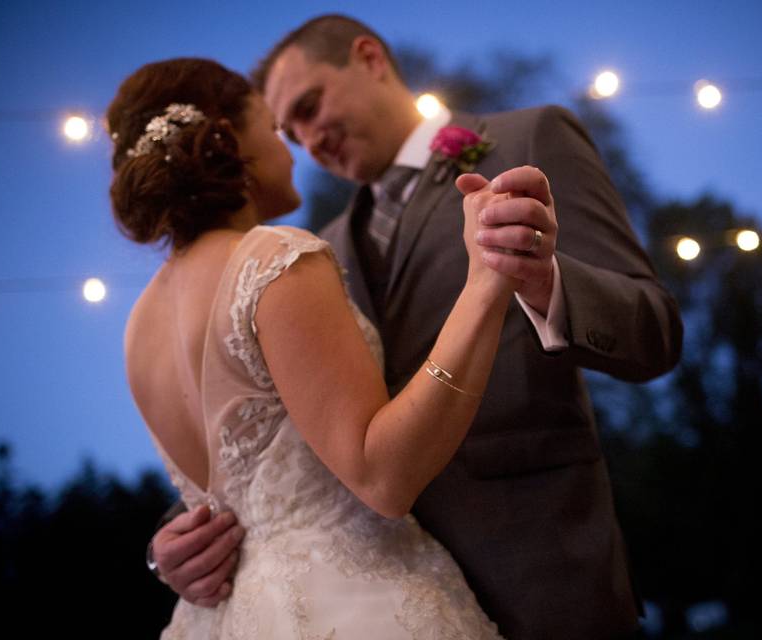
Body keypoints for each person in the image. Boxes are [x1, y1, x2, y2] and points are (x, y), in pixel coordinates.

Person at [150, 14, 683, 640]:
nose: (308, 139)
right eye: (291, 131)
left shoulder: (530, 137)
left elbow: (655, 332)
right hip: (388, 598)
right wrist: (176, 541)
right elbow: (284, 433)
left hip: (542, 575)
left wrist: (548, 284)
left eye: (310, 105)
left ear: (370, 57)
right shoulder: (315, 252)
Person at [111, 56, 515, 638]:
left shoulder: (139, 322)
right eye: (275, 129)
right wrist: (485, 286)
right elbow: (383, 479)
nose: (293, 148)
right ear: (228, 140)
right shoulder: (273, 257)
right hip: (358, 603)